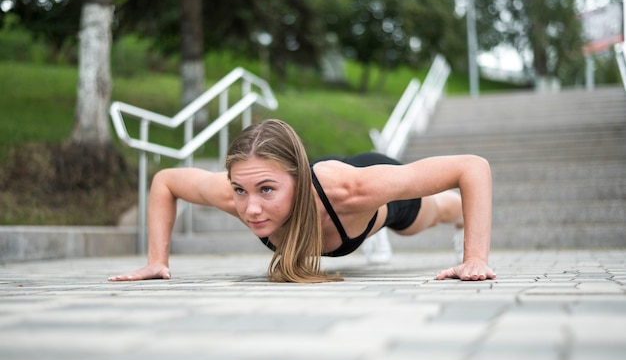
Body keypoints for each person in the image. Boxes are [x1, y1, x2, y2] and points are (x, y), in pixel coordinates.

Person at [108, 119, 496, 283]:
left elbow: (473, 168)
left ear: (297, 178)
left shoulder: (356, 190)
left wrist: (474, 257)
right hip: (338, 200)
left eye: (267, 190)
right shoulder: (237, 193)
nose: (251, 209)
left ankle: (434, 218)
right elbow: (165, 181)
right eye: (241, 190)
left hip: (362, 198)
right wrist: (158, 261)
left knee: (432, 214)